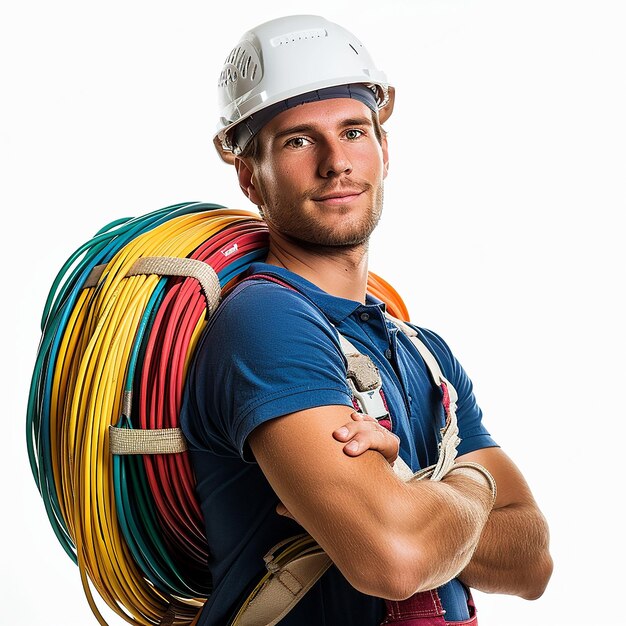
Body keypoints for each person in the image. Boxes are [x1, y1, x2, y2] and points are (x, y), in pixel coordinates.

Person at [180, 14, 553, 625]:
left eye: (354, 131)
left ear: (384, 149)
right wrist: (471, 487)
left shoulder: (421, 351)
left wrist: (408, 491)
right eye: (298, 140)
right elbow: (397, 559)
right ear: (250, 176)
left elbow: (533, 562)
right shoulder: (266, 323)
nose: (336, 163)